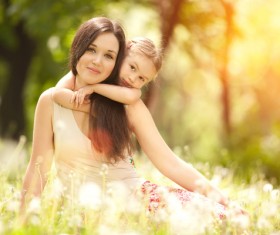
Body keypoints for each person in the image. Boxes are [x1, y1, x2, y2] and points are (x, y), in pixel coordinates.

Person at [51, 36, 231, 218]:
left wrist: (222, 200)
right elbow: (57, 94)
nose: (132, 78)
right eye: (132, 67)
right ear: (120, 55)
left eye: (141, 78)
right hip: (84, 207)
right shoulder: (74, 82)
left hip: (131, 197)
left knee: (220, 215)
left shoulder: (131, 104)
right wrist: (92, 102)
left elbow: (170, 163)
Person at [20, 16, 127, 215]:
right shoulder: (51, 101)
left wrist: (203, 187)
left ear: (116, 65)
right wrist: (21, 224)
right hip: (77, 216)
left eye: (109, 56)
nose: (97, 61)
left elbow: (166, 160)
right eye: (91, 49)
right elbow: (38, 169)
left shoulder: (122, 106)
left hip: (125, 210)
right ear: (78, 48)